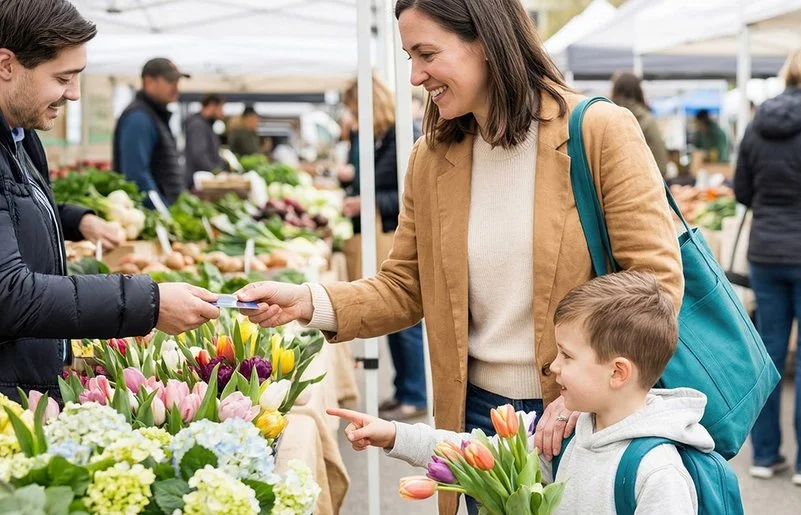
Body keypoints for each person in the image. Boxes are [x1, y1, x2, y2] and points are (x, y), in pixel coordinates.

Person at [236, 1, 682, 511]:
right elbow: (404, 286)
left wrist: (573, 398)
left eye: (426, 53)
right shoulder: (430, 158)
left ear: (487, 44)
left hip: (587, 415)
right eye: (408, 56)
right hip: (477, 415)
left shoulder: (599, 131)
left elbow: (656, 283)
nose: (414, 76)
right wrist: (306, 302)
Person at [328, 271, 712, 514]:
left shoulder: (657, 472)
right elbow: (479, 455)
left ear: (618, 372)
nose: (553, 367)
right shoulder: (572, 435)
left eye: (567, 355)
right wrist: (395, 434)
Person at [0, 0, 220, 403]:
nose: (75, 94)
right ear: (6, 65)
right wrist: (149, 304)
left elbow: (13, 207)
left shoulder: (20, 136)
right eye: (63, 77)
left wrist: (76, 218)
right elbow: (9, 294)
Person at [339, 74, 427, 420]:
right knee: (390, 319)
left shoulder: (403, 136)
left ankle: (416, 393)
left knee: (404, 317)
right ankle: (404, 387)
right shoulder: (377, 137)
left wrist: (368, 202)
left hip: (395, 233)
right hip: (381, 232)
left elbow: (410, 196)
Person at [734, 47, 801, 487]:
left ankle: (764, 454)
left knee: (769, 354)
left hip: (765, 254)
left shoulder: (757, 125)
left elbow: (741, 189)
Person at [113, 57, 190, 206]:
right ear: (149, 81)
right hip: (152, 218)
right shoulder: (138, 118)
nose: (176, 88)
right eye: (170, 81)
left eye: (177, 82)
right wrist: (163, 215)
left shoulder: (154, 115)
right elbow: (136, 177)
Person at [610, 71, 668, 177]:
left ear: (614, 90)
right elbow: (661, 165)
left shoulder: (605, 117)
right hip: (645, 186)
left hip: (609, 187)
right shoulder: (647, 120)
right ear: (639, 91)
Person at [184, 93, 226, 180]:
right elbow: (199, 155)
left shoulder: (205, 125)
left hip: (204, 178)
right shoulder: (198, 125)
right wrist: (216, 172)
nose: (222, 112)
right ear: (212, 105)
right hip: (199, 181)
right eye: (221, 108)